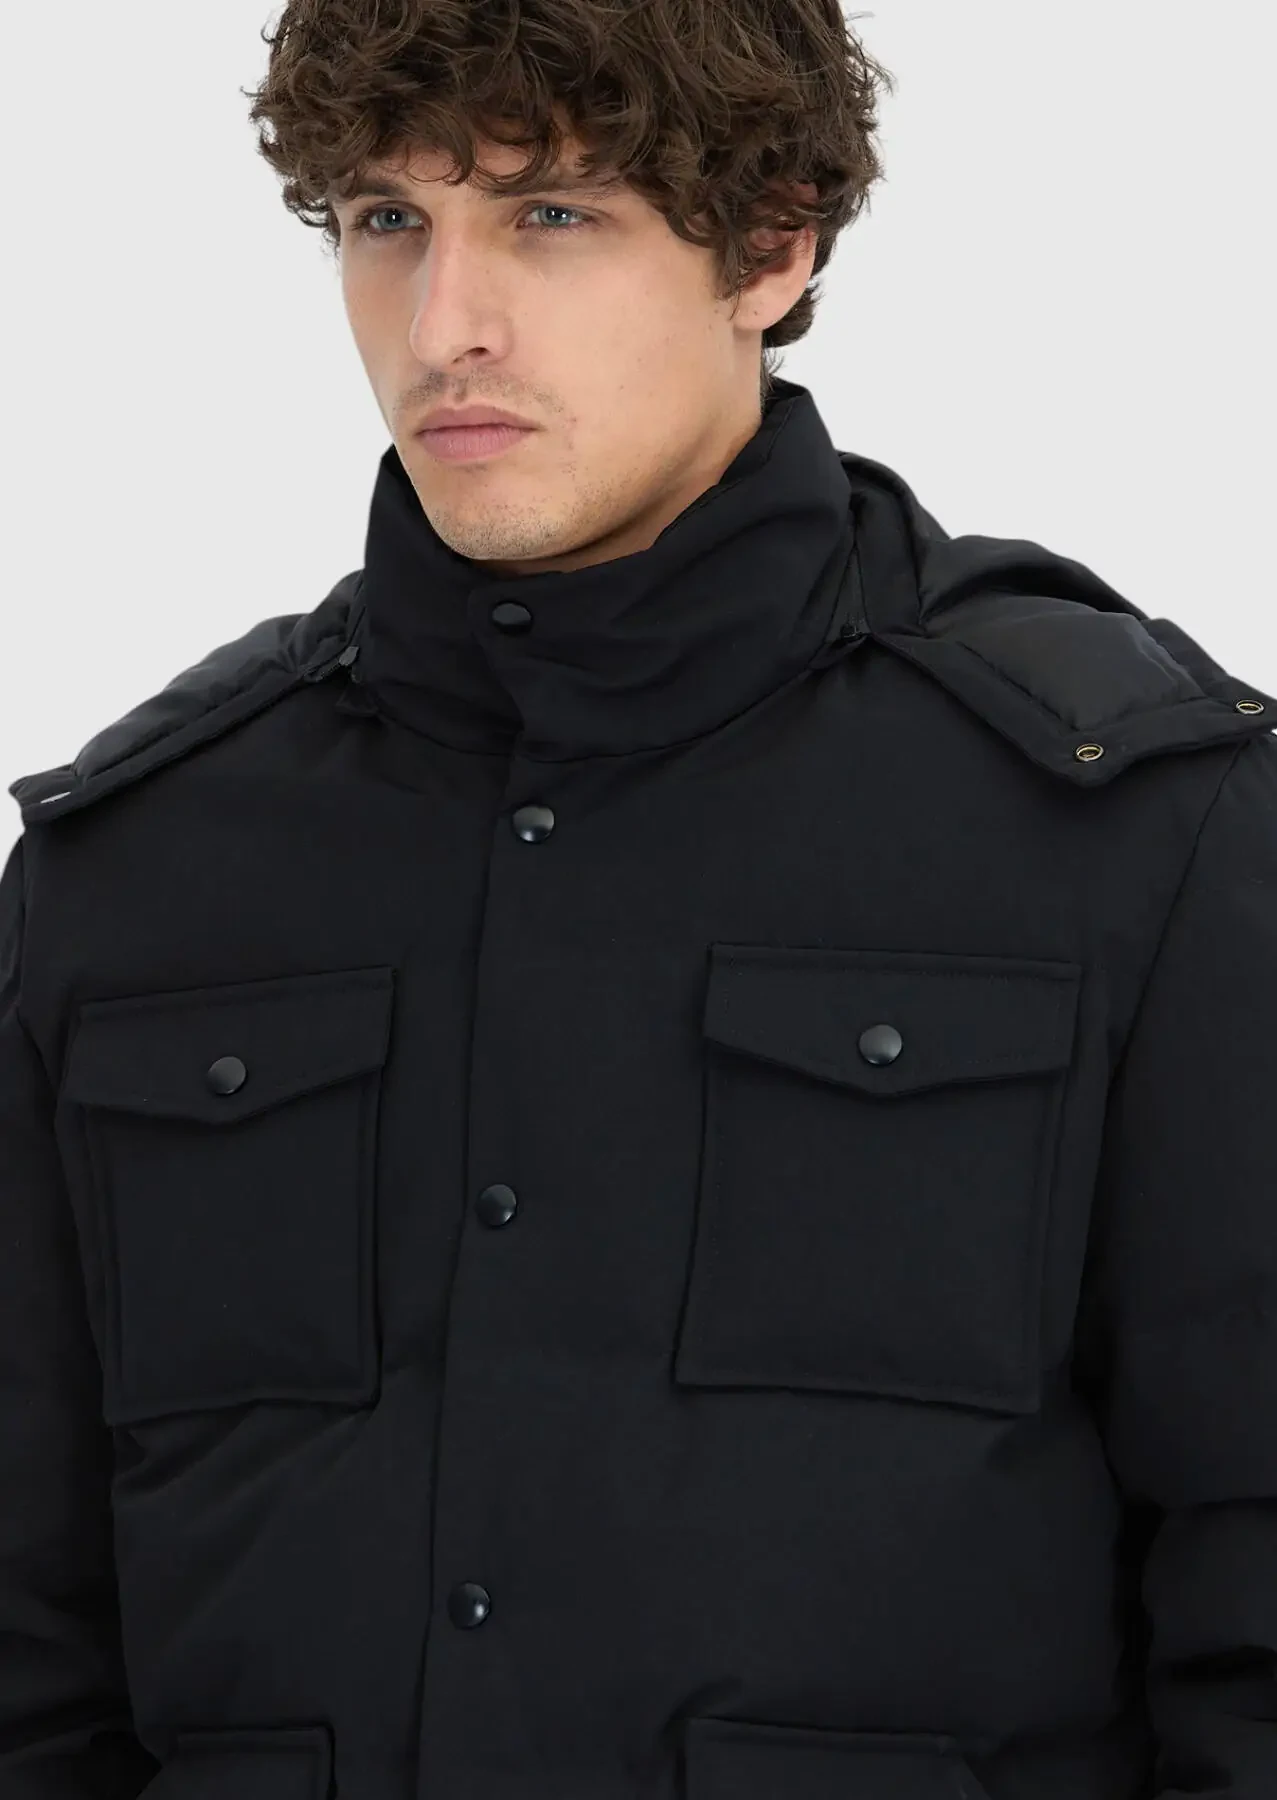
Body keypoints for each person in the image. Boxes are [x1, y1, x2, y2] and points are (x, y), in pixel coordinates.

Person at [3, 3, 1276, 1796]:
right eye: (387, 220)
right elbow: (29, 1646)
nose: (443, 327)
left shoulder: (1134, 831)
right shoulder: (134, 875)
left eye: (550, 213)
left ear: (771, 242)